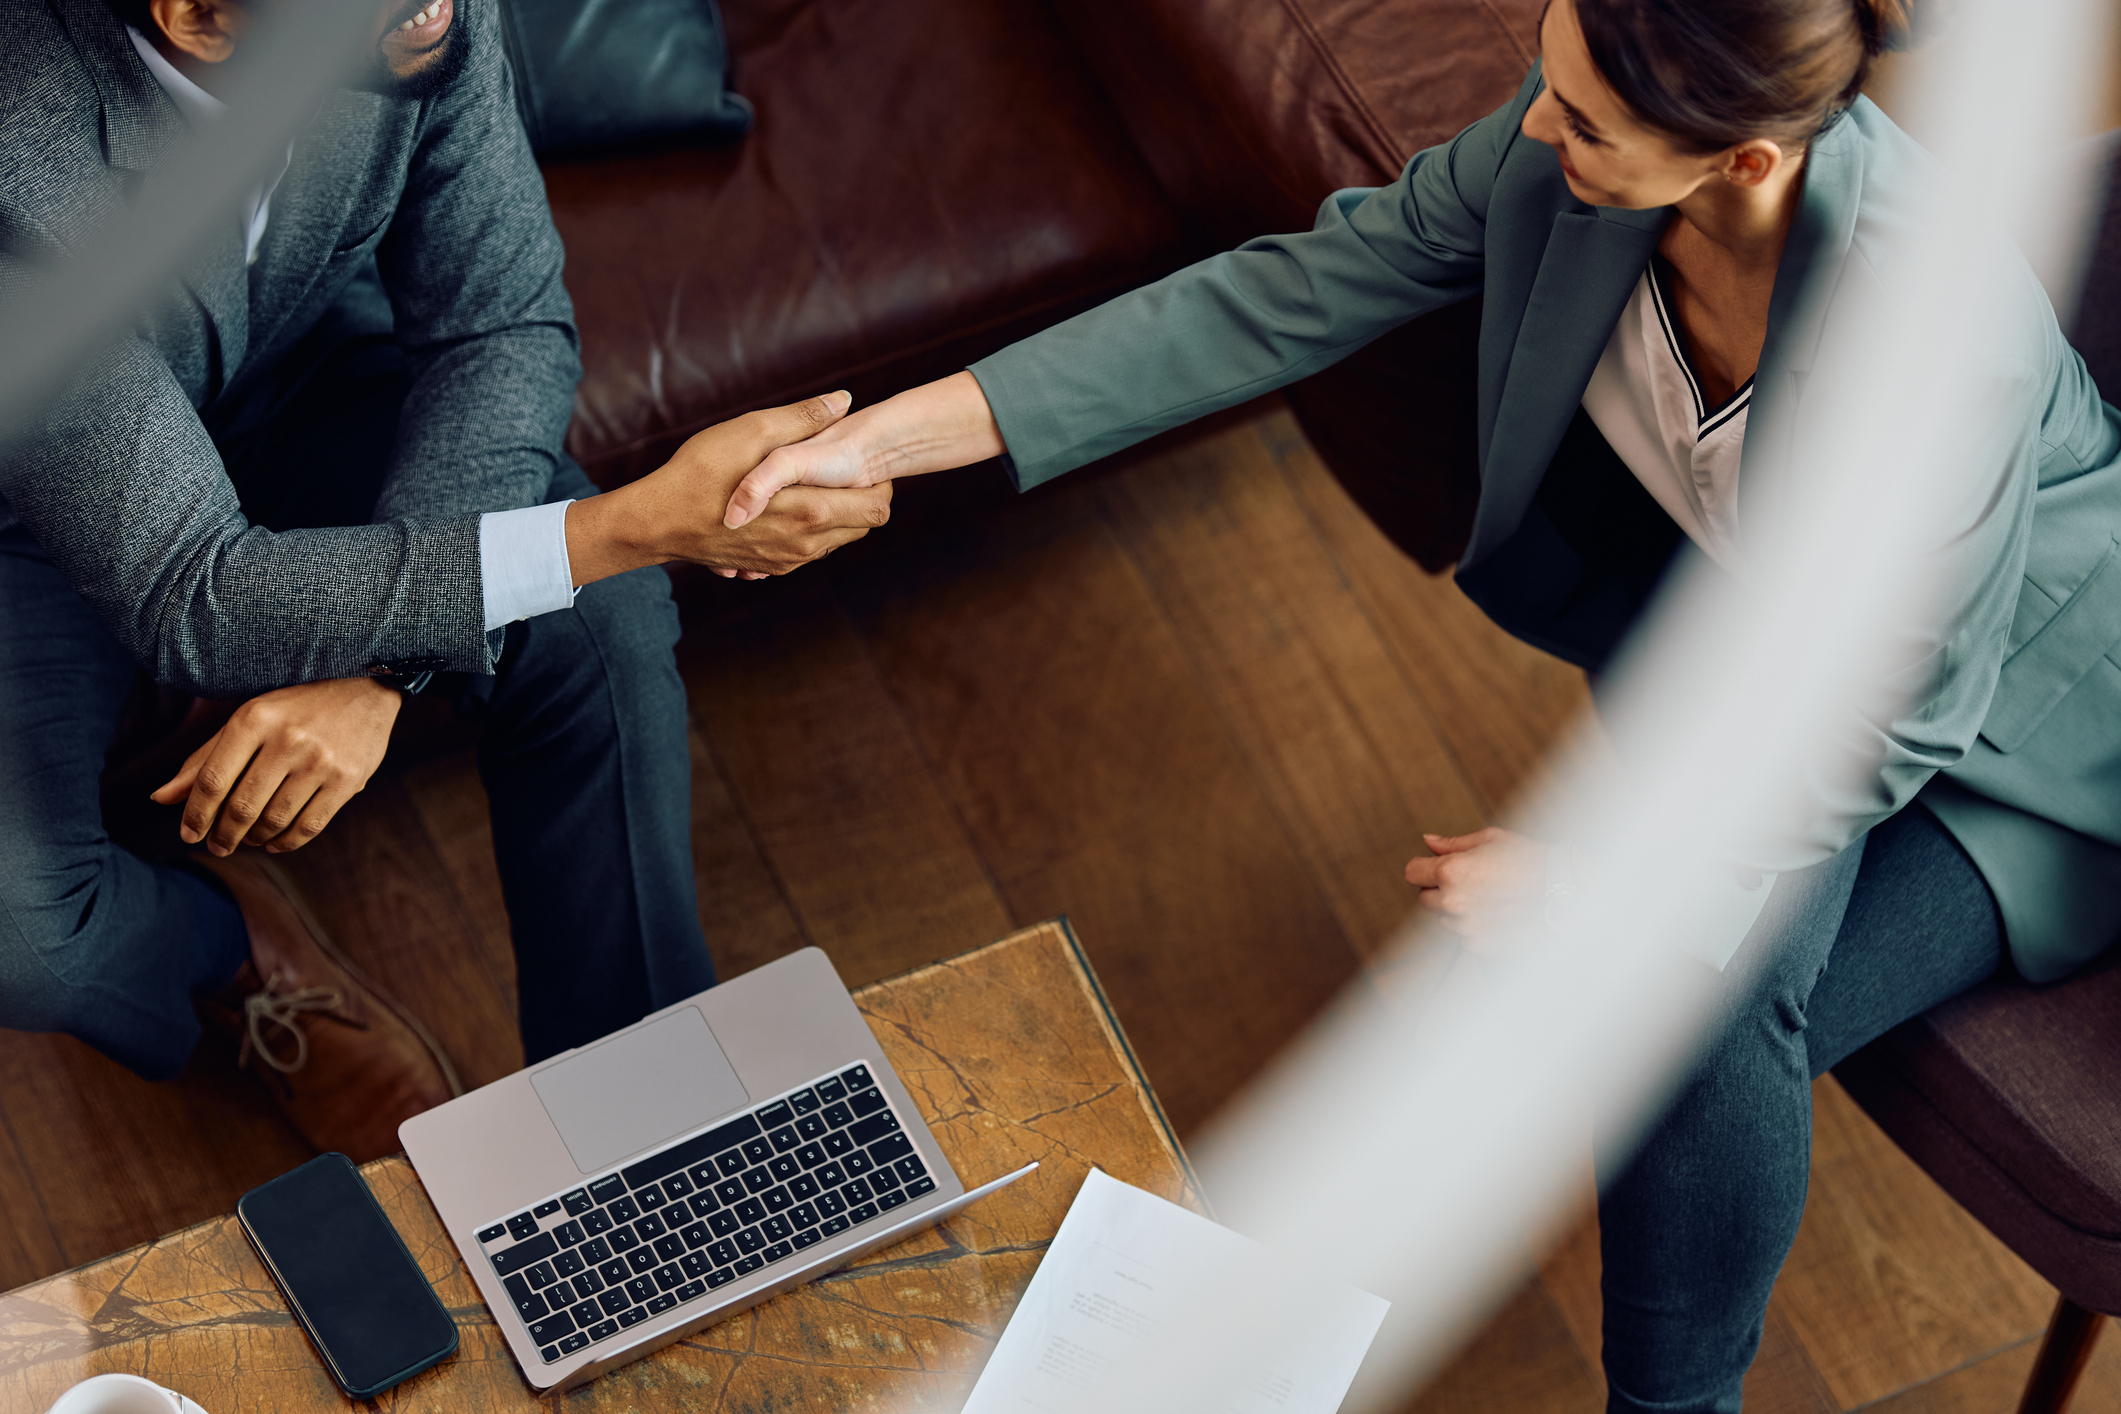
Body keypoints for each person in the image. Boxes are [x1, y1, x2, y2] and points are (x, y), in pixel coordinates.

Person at [714, 0, 2121, 1406]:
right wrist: (886, 440)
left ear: (1743, 161)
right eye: (1552, 79)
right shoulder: (1575, 136)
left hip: (2029, 742)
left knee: (1675, 989)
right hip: (1770, 658)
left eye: (1584, 123)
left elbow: (1898, 714)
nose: (1537, 126)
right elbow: (1286, 293)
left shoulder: (1939, 338)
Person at [0, 0, 892, 1161]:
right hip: (30, 515)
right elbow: (193, 592)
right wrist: (624, 527)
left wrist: (389, 667)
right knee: (29, 941)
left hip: (292, 379)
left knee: (601, 619)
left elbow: (500, 329)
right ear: (200, 20)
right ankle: (231, 957)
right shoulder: (21, 165)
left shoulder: (412, 16)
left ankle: (654, 1144)